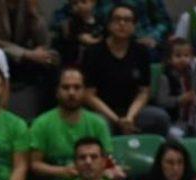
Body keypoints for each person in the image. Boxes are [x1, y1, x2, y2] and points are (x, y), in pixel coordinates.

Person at [28, 67, 115, 180]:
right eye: (66, 87)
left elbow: (107, 161)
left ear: (85, 91)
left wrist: (112, 170)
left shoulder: (98, 123)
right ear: (57, 91)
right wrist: (62, 171)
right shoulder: (41, 123)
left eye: (77, 87)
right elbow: (35, 164)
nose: (71, 93)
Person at [81, 3, 170, 137]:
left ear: (134, 26)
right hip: (103, 111)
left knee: (160, 118)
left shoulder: (141, 52)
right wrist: (117, 120)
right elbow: (89, 95)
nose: (122, 24)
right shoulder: (94, 52)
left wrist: (129, 118)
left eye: (127, 20)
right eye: (117, 19)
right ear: (109, 24)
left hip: (132, 110)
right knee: (100, 123)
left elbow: (144, 92)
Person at [155, 38, 196, 141]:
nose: (183, 59)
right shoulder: (166, 77)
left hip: (195, 119)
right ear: (169, 59)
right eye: (178, 56)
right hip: (176, 121)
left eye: (186, 56)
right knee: (174, 136)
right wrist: (179, 100)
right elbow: (161, 101)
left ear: (192, 58)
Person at [96, 0, 172, 57]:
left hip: (145, 41)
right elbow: (94, 21)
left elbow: (165, 22)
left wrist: (152, 37)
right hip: (110, 43)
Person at [51, 0, 103, 67]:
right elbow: (82, 38)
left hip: (94, 63)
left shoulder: (100, 22)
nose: (79, 5)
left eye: (83, 2)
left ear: (93, 2)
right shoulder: (71, 23)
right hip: (74, 62)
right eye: (75, 3)